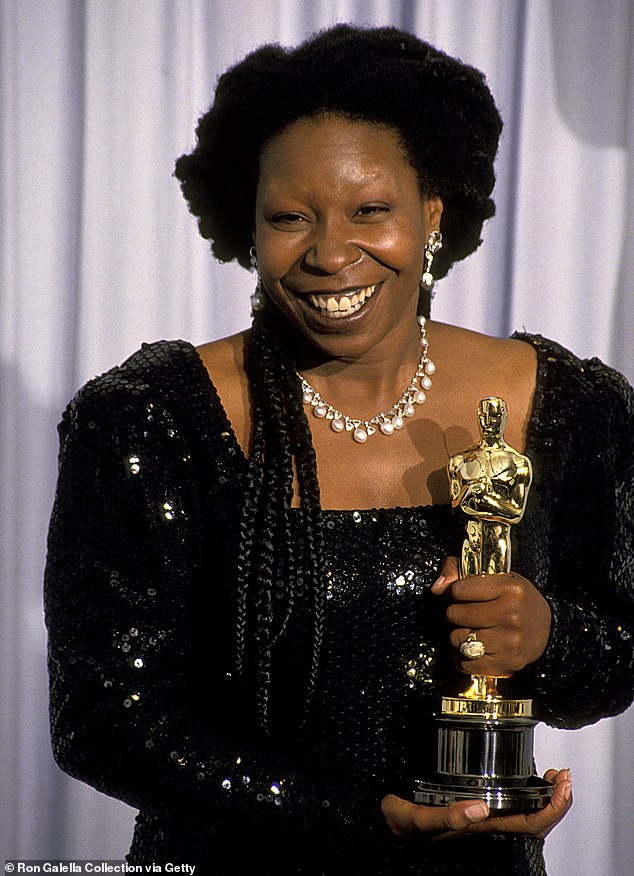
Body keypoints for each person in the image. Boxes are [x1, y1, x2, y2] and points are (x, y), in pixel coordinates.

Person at [44, 24, 634, 876]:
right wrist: (360, 821)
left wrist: (548, 636)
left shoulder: (568, 406)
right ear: (247, 229)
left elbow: (617, 652)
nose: (328, 252)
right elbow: (103, 720)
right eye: (290, 217)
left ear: (432, 215)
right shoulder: (150, 421)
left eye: (370, 210)